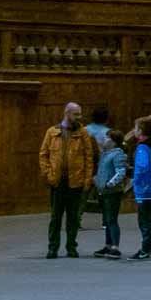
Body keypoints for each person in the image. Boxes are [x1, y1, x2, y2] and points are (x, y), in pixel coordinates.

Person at [39, 102, 99, 259]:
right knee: (55, 217)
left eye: (79, 114)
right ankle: (53, 247)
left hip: (76, 181)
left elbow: (88, 157)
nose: (79, 117)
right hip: (57, 182)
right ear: (67, 113)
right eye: (76, 114)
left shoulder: (83, 133)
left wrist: (87, 180)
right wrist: (48, 174)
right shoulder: (52, 132)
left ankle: (71, 246)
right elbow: (43, 154)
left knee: (73, 217)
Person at [127, 118, 151, 261]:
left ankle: (145, 249)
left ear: (141, 131)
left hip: (145, 187)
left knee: (144, 221)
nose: (134, 131)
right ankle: (150, 247)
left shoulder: (142, 147)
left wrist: (135, 181)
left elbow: (142, 167)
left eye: (136, 128)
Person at [92, 129, 128, 259]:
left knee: (112, 219)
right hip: (103, 191)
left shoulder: (118, 154)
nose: (104, 140)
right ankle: (108, 245)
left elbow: (121, 172)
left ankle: (115, 247)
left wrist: (110, 184)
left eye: (107, 138)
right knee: (106, 220)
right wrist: (96, 181)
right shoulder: (105, 154)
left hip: (112, 192)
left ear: (114, 142)